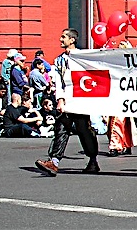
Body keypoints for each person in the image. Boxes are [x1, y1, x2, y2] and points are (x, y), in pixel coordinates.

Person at [35, 28, 100, 176]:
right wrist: (60, 99)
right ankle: (54, 162)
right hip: (67, 101)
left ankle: (93, 160)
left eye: (63, 37)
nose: (60, 39)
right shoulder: (59, 60)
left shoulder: (83, 57)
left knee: (84, 130)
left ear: (72, 40)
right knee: (61, 128)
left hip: (81, 100)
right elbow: (59, 82)